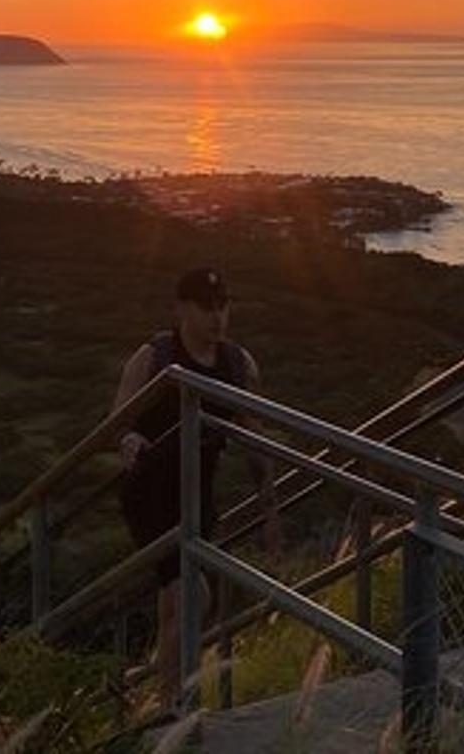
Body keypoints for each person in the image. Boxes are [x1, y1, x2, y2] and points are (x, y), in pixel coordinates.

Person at [111, 266, 279, 710]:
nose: (217, 317)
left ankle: (155, 685)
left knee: (176, 602)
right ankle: (171, 708)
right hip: (150, 493)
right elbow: (117, 421)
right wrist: (128, 438)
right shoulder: (154, 357)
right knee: (194, 596)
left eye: (223, 306)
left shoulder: (239, 364)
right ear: (181, 309)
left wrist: (269, 507)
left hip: (198, 492)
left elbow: (253, 435)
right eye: (206, 307)